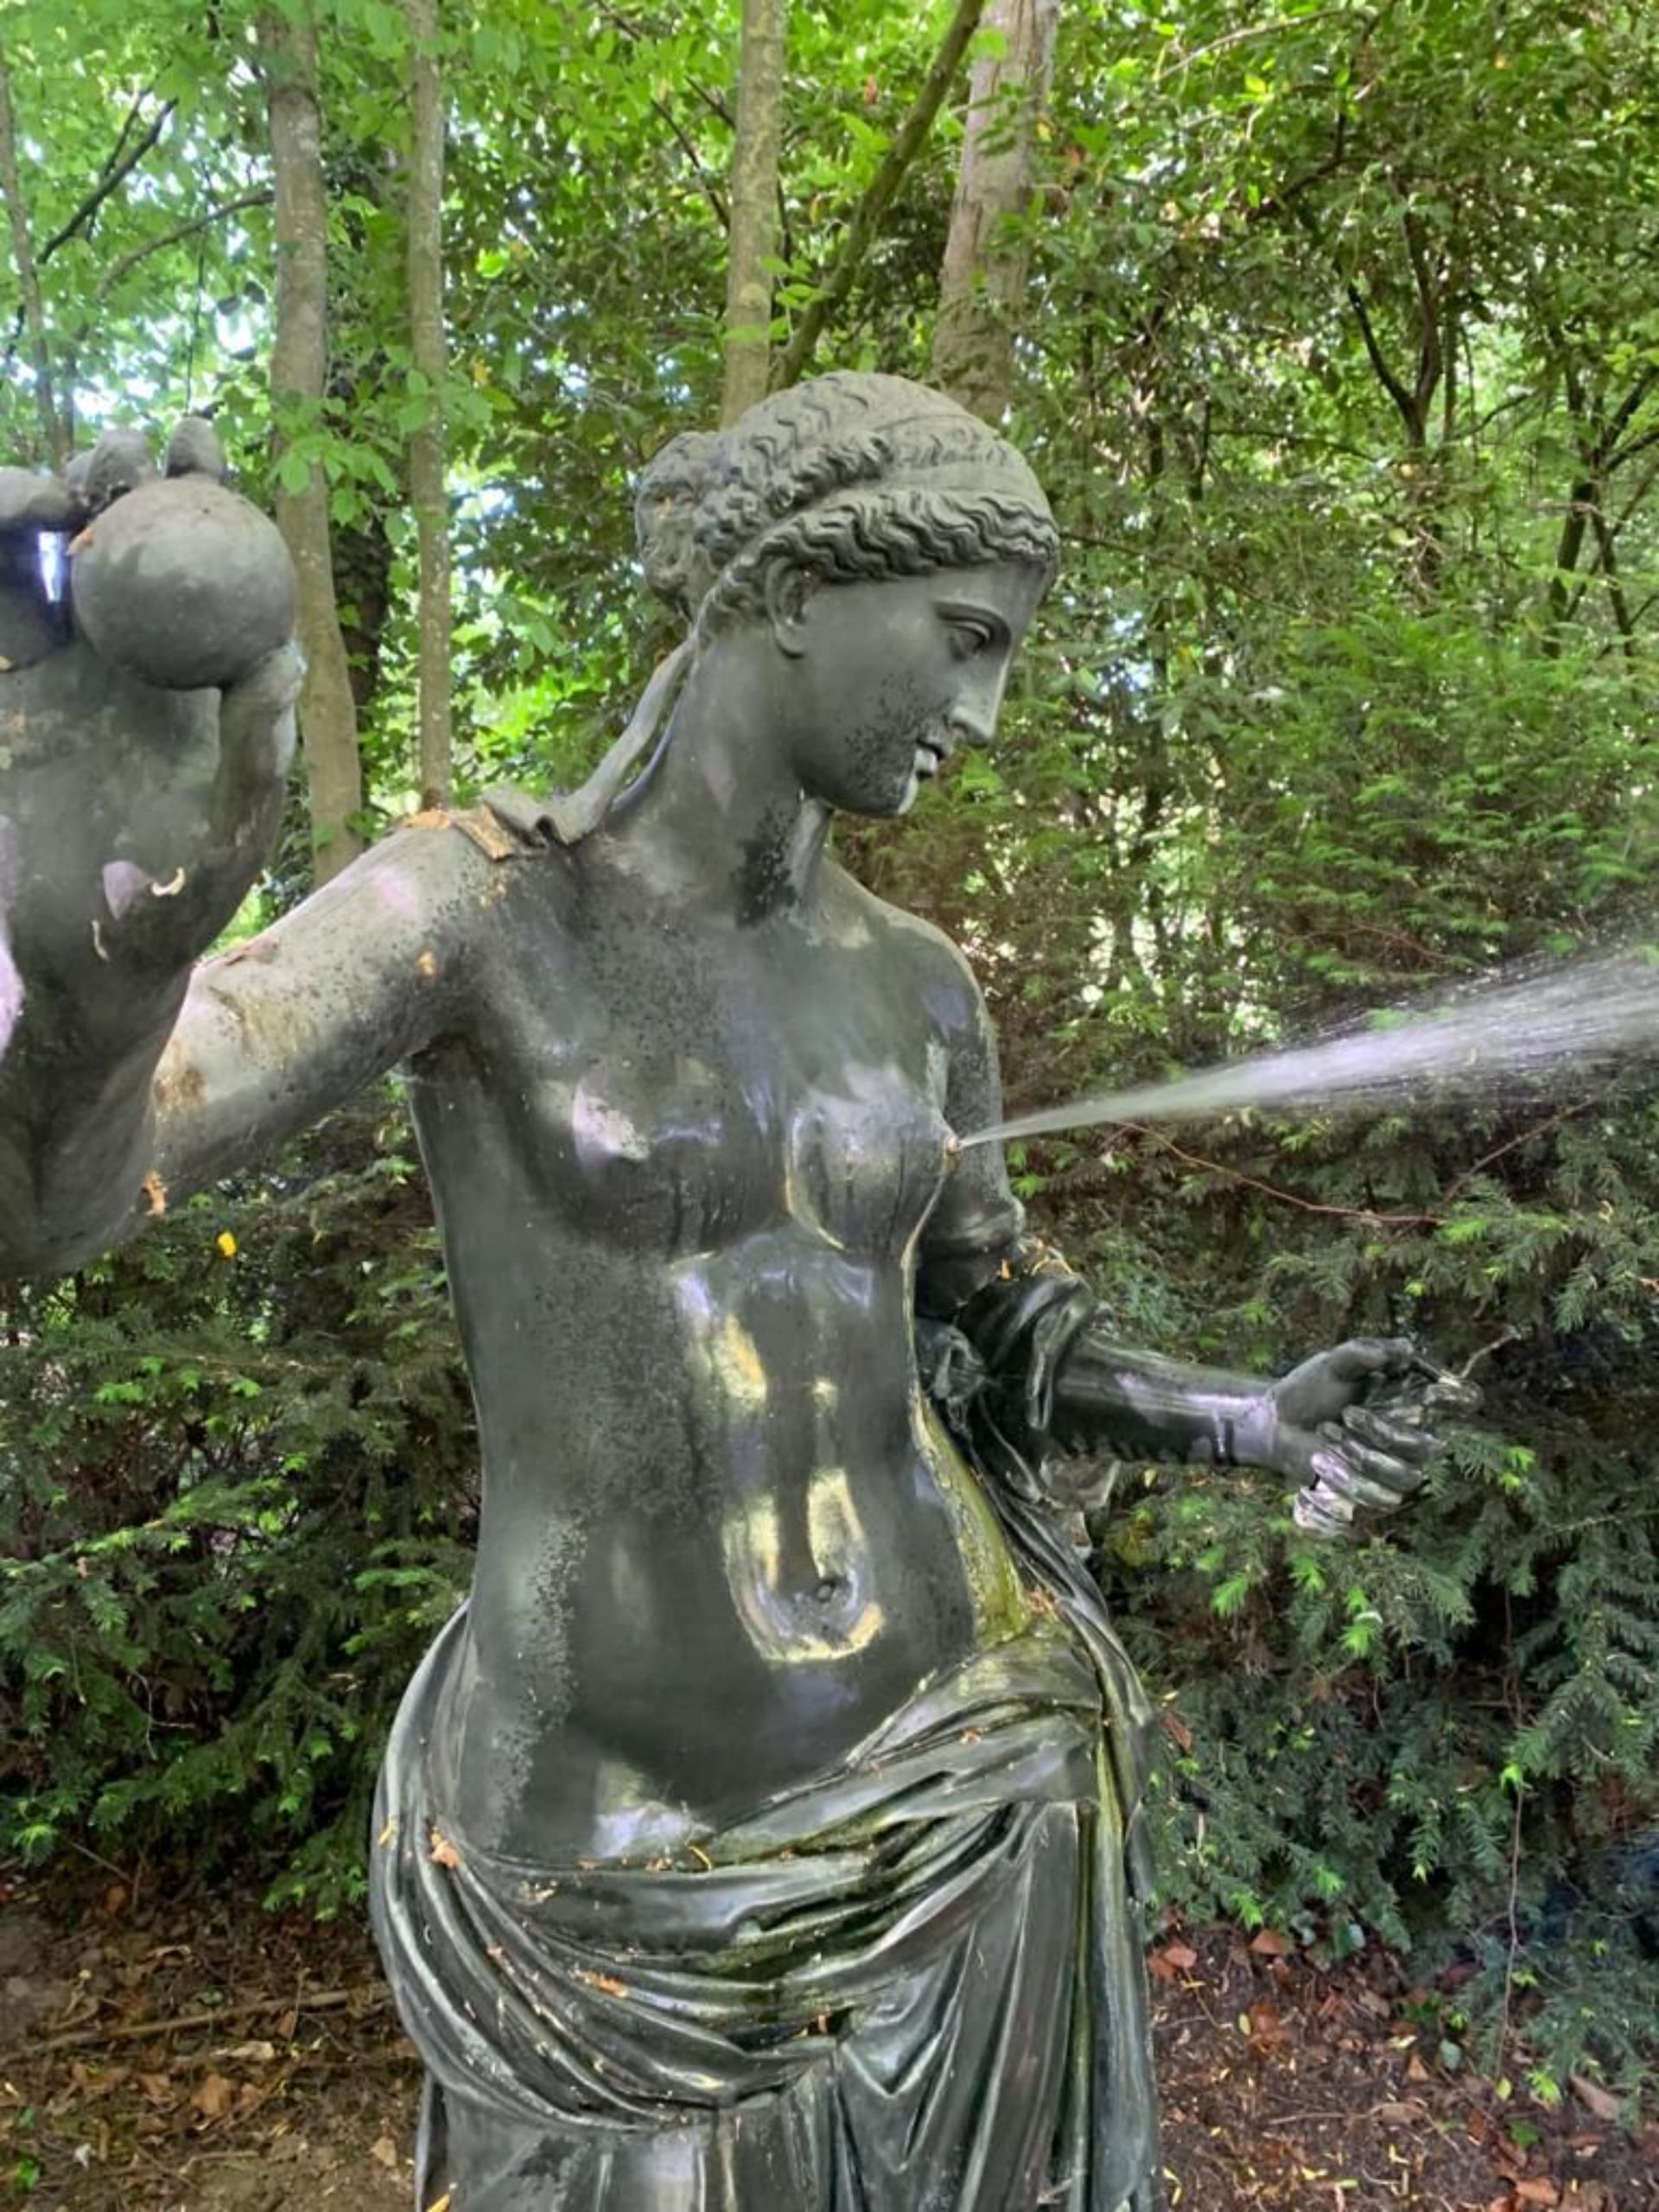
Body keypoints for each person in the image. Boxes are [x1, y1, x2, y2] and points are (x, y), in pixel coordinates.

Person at [0, 373, 1447, 2211]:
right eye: (966, 639)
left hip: (975, 1777)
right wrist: (97, 984)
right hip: (613, 1873)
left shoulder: (921, 987)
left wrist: (1244, 1415)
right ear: (792, 586)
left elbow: (1000, 1323)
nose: (986, 714)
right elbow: (53, 1212)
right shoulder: (477, 908)